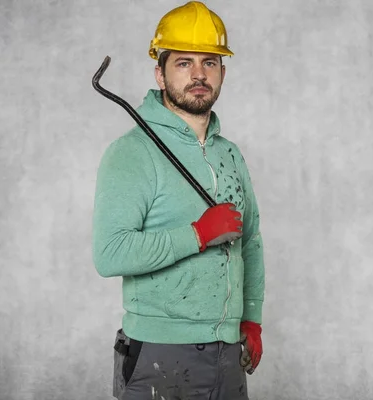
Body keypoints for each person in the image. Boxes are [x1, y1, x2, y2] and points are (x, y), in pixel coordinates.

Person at [92, 2, 265, 399]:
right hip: (160, 357)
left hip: (228, 354)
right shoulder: (132, 153)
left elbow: (250, 240)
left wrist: (251, 318)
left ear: (223, 71)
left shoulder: (230, 154)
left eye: (210, 62)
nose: (199, 74)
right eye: (184, 63)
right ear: (160, 72)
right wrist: (198, 234)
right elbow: (109, 252)